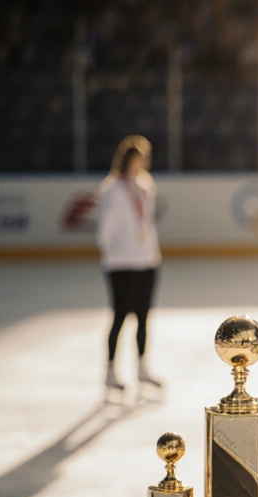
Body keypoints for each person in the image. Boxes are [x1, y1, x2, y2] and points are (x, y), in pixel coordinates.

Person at [97, 135, 162, 393]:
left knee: (144, 316)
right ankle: (111, 370)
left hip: (146, 259)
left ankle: (142, 368)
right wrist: (109, 253)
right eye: (137, 158)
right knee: (120, 315)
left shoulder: (145, 185)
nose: (141, 163)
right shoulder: (112, 189)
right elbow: (106, 228)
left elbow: (147, 221)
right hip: (121, 262)